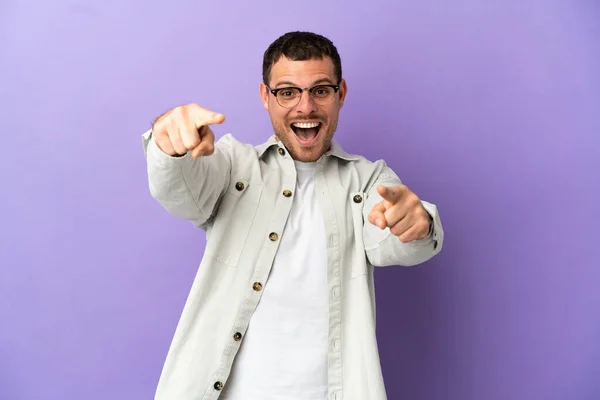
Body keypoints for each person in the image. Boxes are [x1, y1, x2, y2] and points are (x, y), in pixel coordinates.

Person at [142, 31, 444, 400]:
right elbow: (181, 193)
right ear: (265, 97)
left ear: (341, 94)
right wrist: (169, 145)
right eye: (287, 92)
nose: (305, 107)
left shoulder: (369, 180)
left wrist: (417, 224)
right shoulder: (234, 165)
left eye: (320, 90)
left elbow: (392, 243)